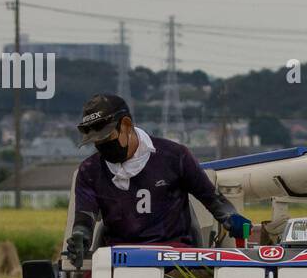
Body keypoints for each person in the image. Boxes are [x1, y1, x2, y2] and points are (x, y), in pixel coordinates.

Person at [66, 94, 249, 265]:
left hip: (174, 256)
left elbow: (211, 198)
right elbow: (85, 217)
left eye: (107, 139)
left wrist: (231, 217)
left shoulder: (175, 156)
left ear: (126, 125)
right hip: (118, 258)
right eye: (98, 143)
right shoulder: (90, 171)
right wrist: (80, 236)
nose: (103, 147)